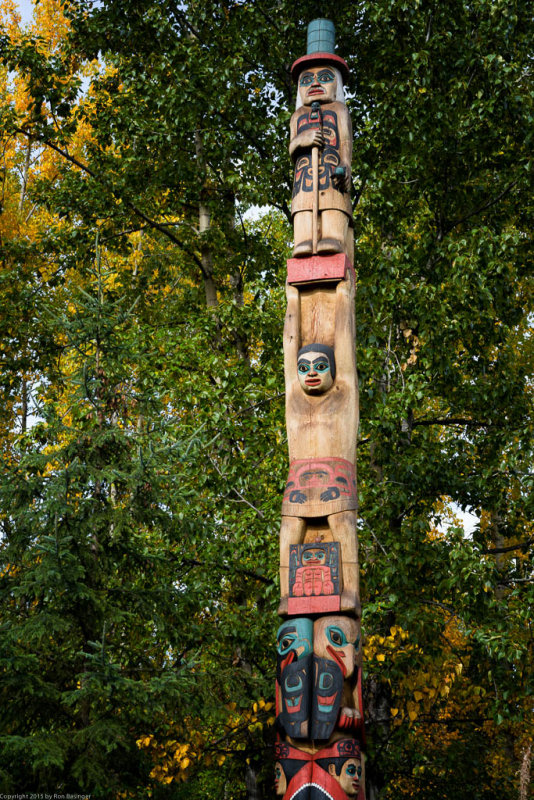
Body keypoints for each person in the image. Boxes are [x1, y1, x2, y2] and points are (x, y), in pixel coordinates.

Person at [279, 271, 359, 616]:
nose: (311, 372)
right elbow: (288, 344)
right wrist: (292, 300)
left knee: (343, 529)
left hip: (336, 477)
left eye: (320, 365)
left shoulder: (343, 392)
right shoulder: (294, 396)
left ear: (333, 369)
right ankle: (287, 593)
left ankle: (351, 590)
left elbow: (343, 339)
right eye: (304, 367)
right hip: (298, 480)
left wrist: (343, 297)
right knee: (287, 531)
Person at [289, 63, 353, 259]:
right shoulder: (297, 116)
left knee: (333, 202)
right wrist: (301, 140)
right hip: (303, 176)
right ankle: (303, 239)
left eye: (324, 78)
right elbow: (291, 149)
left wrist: (345, 165)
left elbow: (345, 142)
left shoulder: (339, 110)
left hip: (331, 172)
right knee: (302, 205)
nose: (314, 83)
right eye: (307, 80)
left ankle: (334, 236)